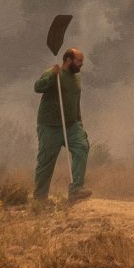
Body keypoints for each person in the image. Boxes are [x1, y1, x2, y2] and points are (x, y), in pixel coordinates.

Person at [31, 47, 92, 206]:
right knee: (46, 161)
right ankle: (40, 198)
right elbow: (38, 87)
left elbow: (75, 101)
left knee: (82, 148)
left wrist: (79, 122)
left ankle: (76, 189)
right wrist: (52, 75)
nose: (81, 65)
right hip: (50, 125)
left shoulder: (77, 78)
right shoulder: (52, 73)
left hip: (72, 125)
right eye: (79, 61)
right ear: (69, 60)